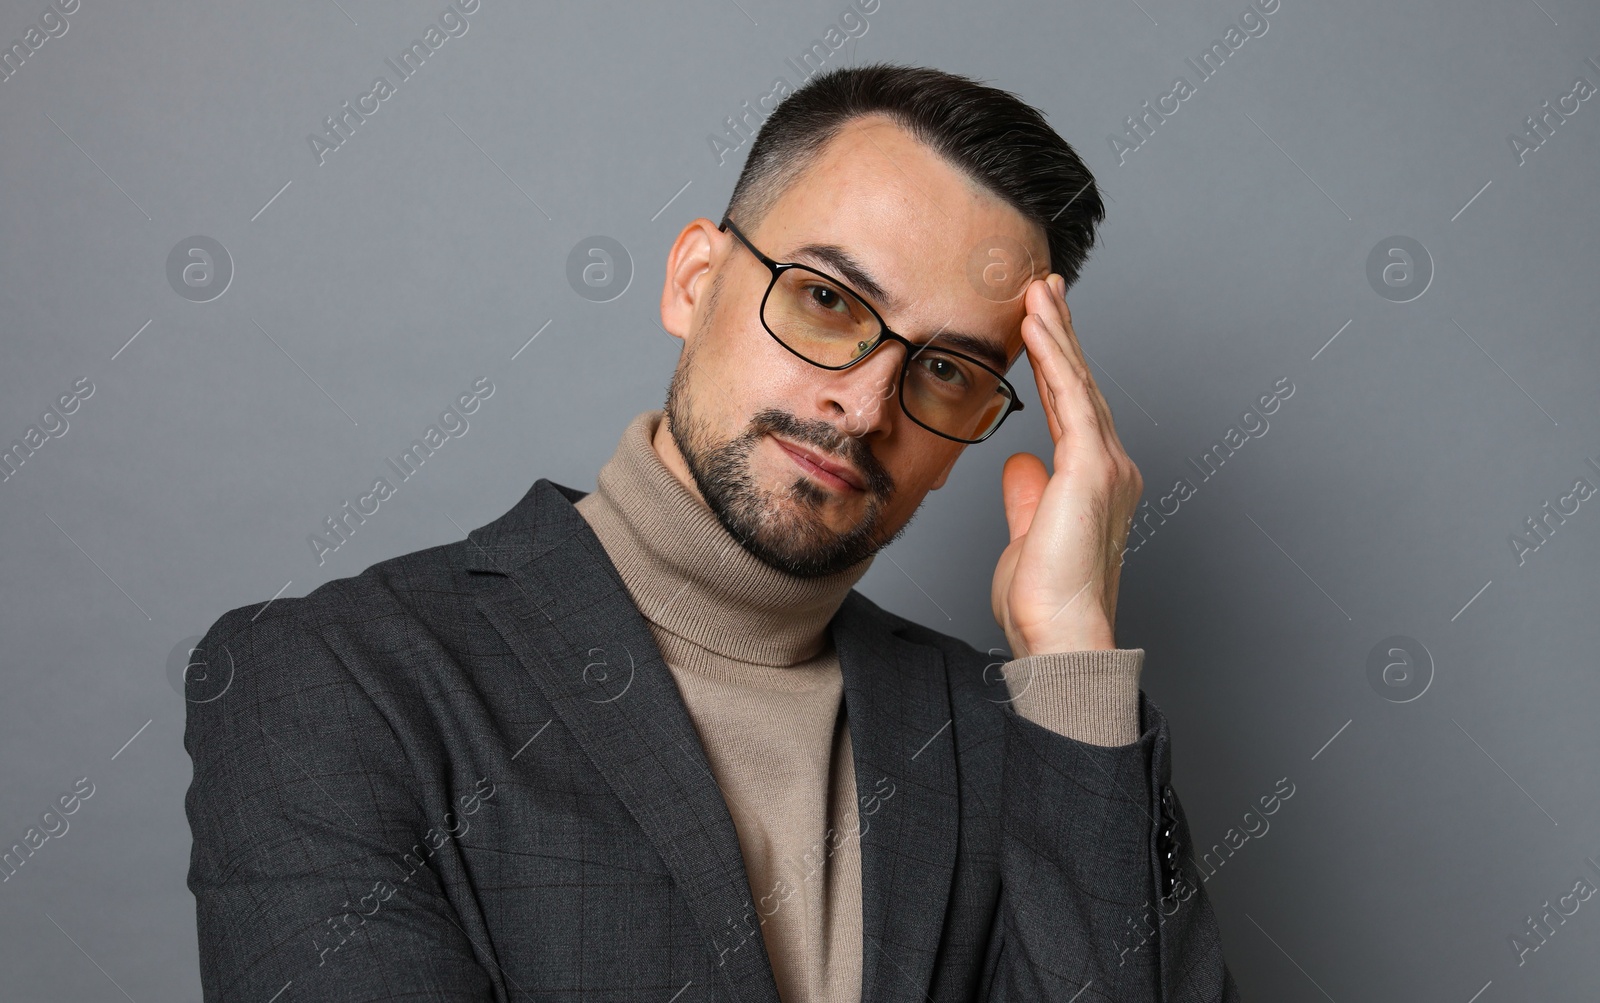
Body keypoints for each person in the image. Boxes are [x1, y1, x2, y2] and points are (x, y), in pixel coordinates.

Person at [184, 63, 1241, 1002]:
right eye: (827, 299)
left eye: (949, 370)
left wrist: (1069, 645)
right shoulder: (334, 680)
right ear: (695, 280)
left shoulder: (1032, 740)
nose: (865, 405)